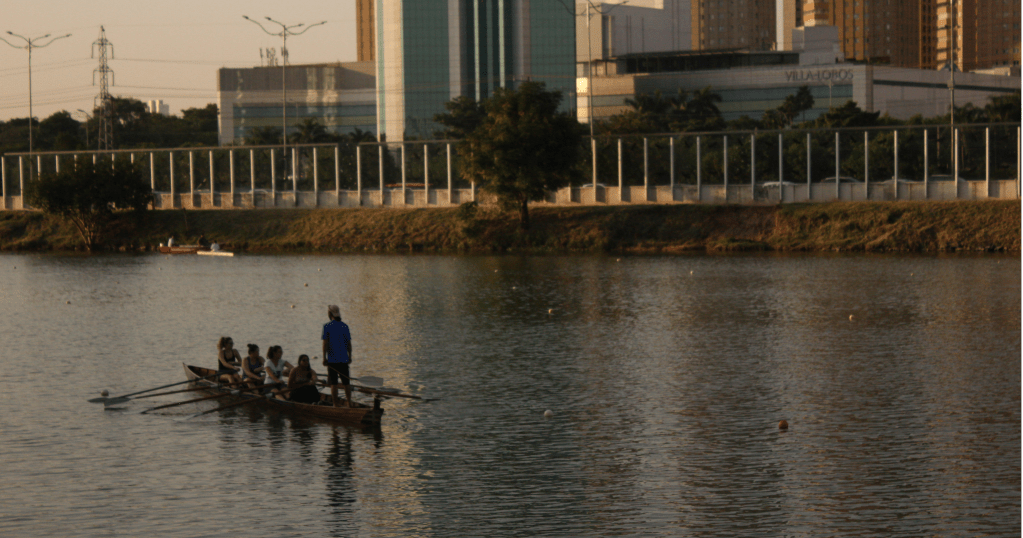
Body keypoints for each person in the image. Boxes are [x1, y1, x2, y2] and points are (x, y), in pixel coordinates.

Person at [321, 305, 353, 407]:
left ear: (330, 314)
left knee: (333, 383)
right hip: (344, 359)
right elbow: (349, 344)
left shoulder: (327, 326)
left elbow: (325, 344)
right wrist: (350, 356)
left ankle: (335, 405)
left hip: (332, 360)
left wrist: (324, 358)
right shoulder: (345, 326)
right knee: (346, 383)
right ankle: (349, 403)